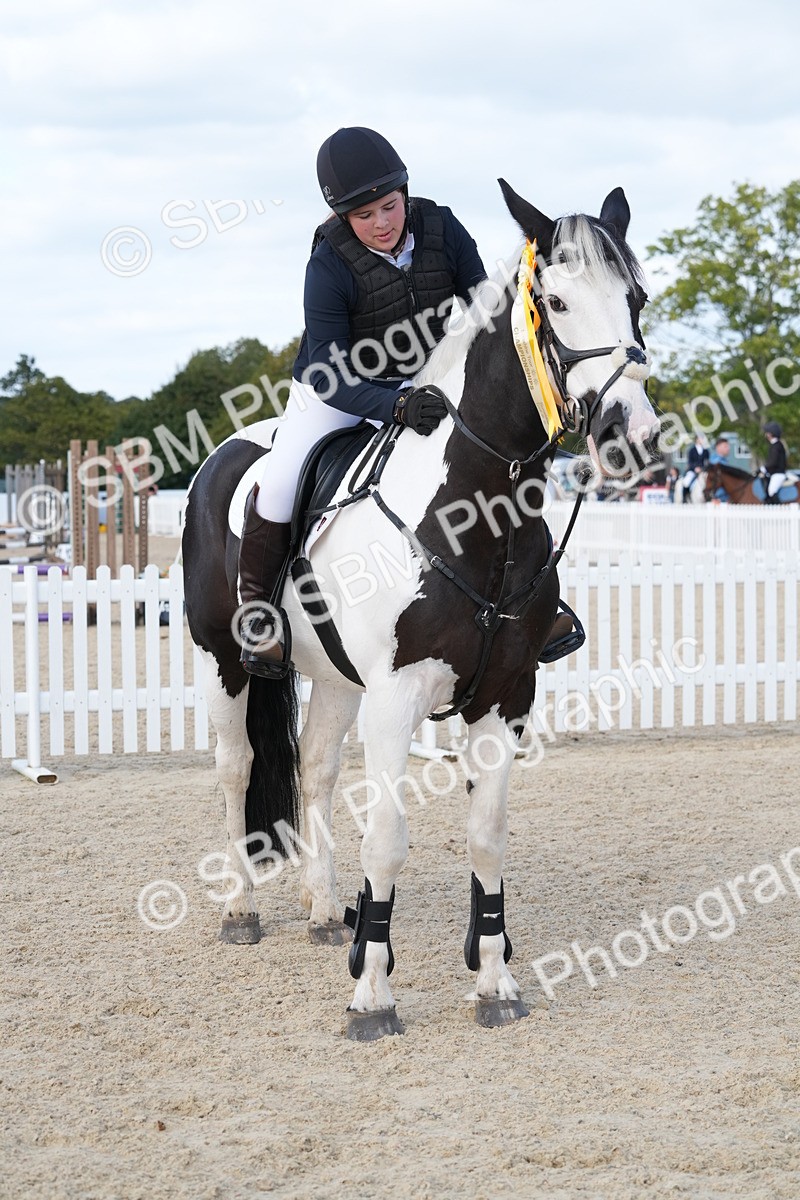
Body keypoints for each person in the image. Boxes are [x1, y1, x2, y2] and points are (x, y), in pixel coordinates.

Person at [761, 421, 788, 503]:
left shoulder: (776, 445)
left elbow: (773, 462)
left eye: (767, 433)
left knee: (771, 491)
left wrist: (763, 468)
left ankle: (778, 510)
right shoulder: (775, 445)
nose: (766, 435)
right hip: (774, 473)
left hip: (778, 474)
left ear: (771, 434)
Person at [680, 434, 708, 503]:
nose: (701, 440)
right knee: (687, 482)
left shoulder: (706, 451)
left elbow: (707, 462)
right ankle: (685, 498)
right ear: (696, 440)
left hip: (703, 471)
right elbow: (690, 462)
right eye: (700, 439)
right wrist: (695, 468)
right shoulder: (692, 450)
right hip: (693, 470)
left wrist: (702, 468)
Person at [708, 436, 731, 503]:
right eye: (725, 446)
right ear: (718, 447)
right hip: (717, 499)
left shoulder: (725, 461)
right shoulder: (715, 462)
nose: (728, 448)